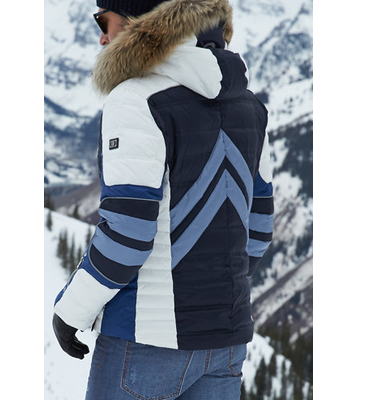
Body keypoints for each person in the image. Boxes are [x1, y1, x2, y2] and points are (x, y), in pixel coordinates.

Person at [52, 0, 274, 398]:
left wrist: (70, 311)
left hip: (145, 342)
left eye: (104, 21)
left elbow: (128, 236)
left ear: (141, 21)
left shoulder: (136, 99)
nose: (102, 37)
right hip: (226, 343)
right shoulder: (250, 106)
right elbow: (257, 230)